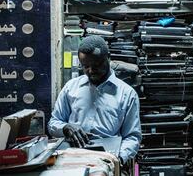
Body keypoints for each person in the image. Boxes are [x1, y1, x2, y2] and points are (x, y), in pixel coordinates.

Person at [48, 35, 142, 163]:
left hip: (107, 157)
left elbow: (132, 136)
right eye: (85, 66)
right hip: (72, 156)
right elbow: (53, 123)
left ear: (108, 58)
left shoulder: (127, 94)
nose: (91, 70)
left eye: (96, 65)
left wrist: (117, 160)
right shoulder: (71, 87)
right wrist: (65, 128)